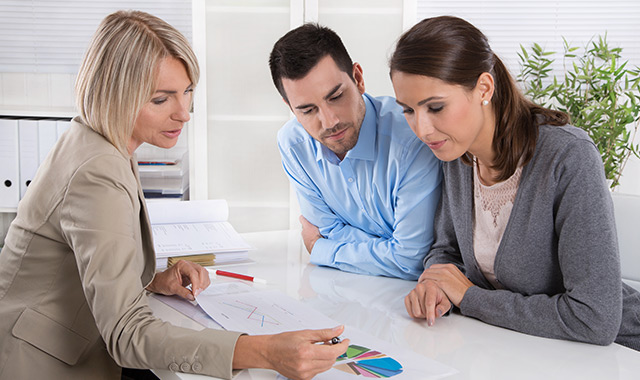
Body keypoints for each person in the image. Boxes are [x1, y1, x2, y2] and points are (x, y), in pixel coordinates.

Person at [0, 11, 348, 380]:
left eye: (187, 92)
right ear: (117, 94)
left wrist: (148, 277)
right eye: (161, 99)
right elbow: (127, 335)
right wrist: (261, 350)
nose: (184, 113)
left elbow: (85, 255)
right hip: (37, 363)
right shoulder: (96, 171)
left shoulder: (97, 140)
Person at [390, 15, 640, 350]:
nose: (422, 129)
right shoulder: (457, 154)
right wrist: (435, 283)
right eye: (408, 110)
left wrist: (468, 297)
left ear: (484, 88)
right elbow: (446, 249)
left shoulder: (568, 157)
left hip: (613, 355)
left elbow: (593, 318)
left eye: (435, 107)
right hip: (518, 349)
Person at [269, 24, 442, 280]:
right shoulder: (293, 145)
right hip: (340, 290)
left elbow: (411, 260)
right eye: (307, 110)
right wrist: (389, 246)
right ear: (290, 107)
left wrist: (322, 250)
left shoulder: (414, 139)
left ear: (358, 78)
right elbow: (326, 228)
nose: (329, 122)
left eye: (336, 96)